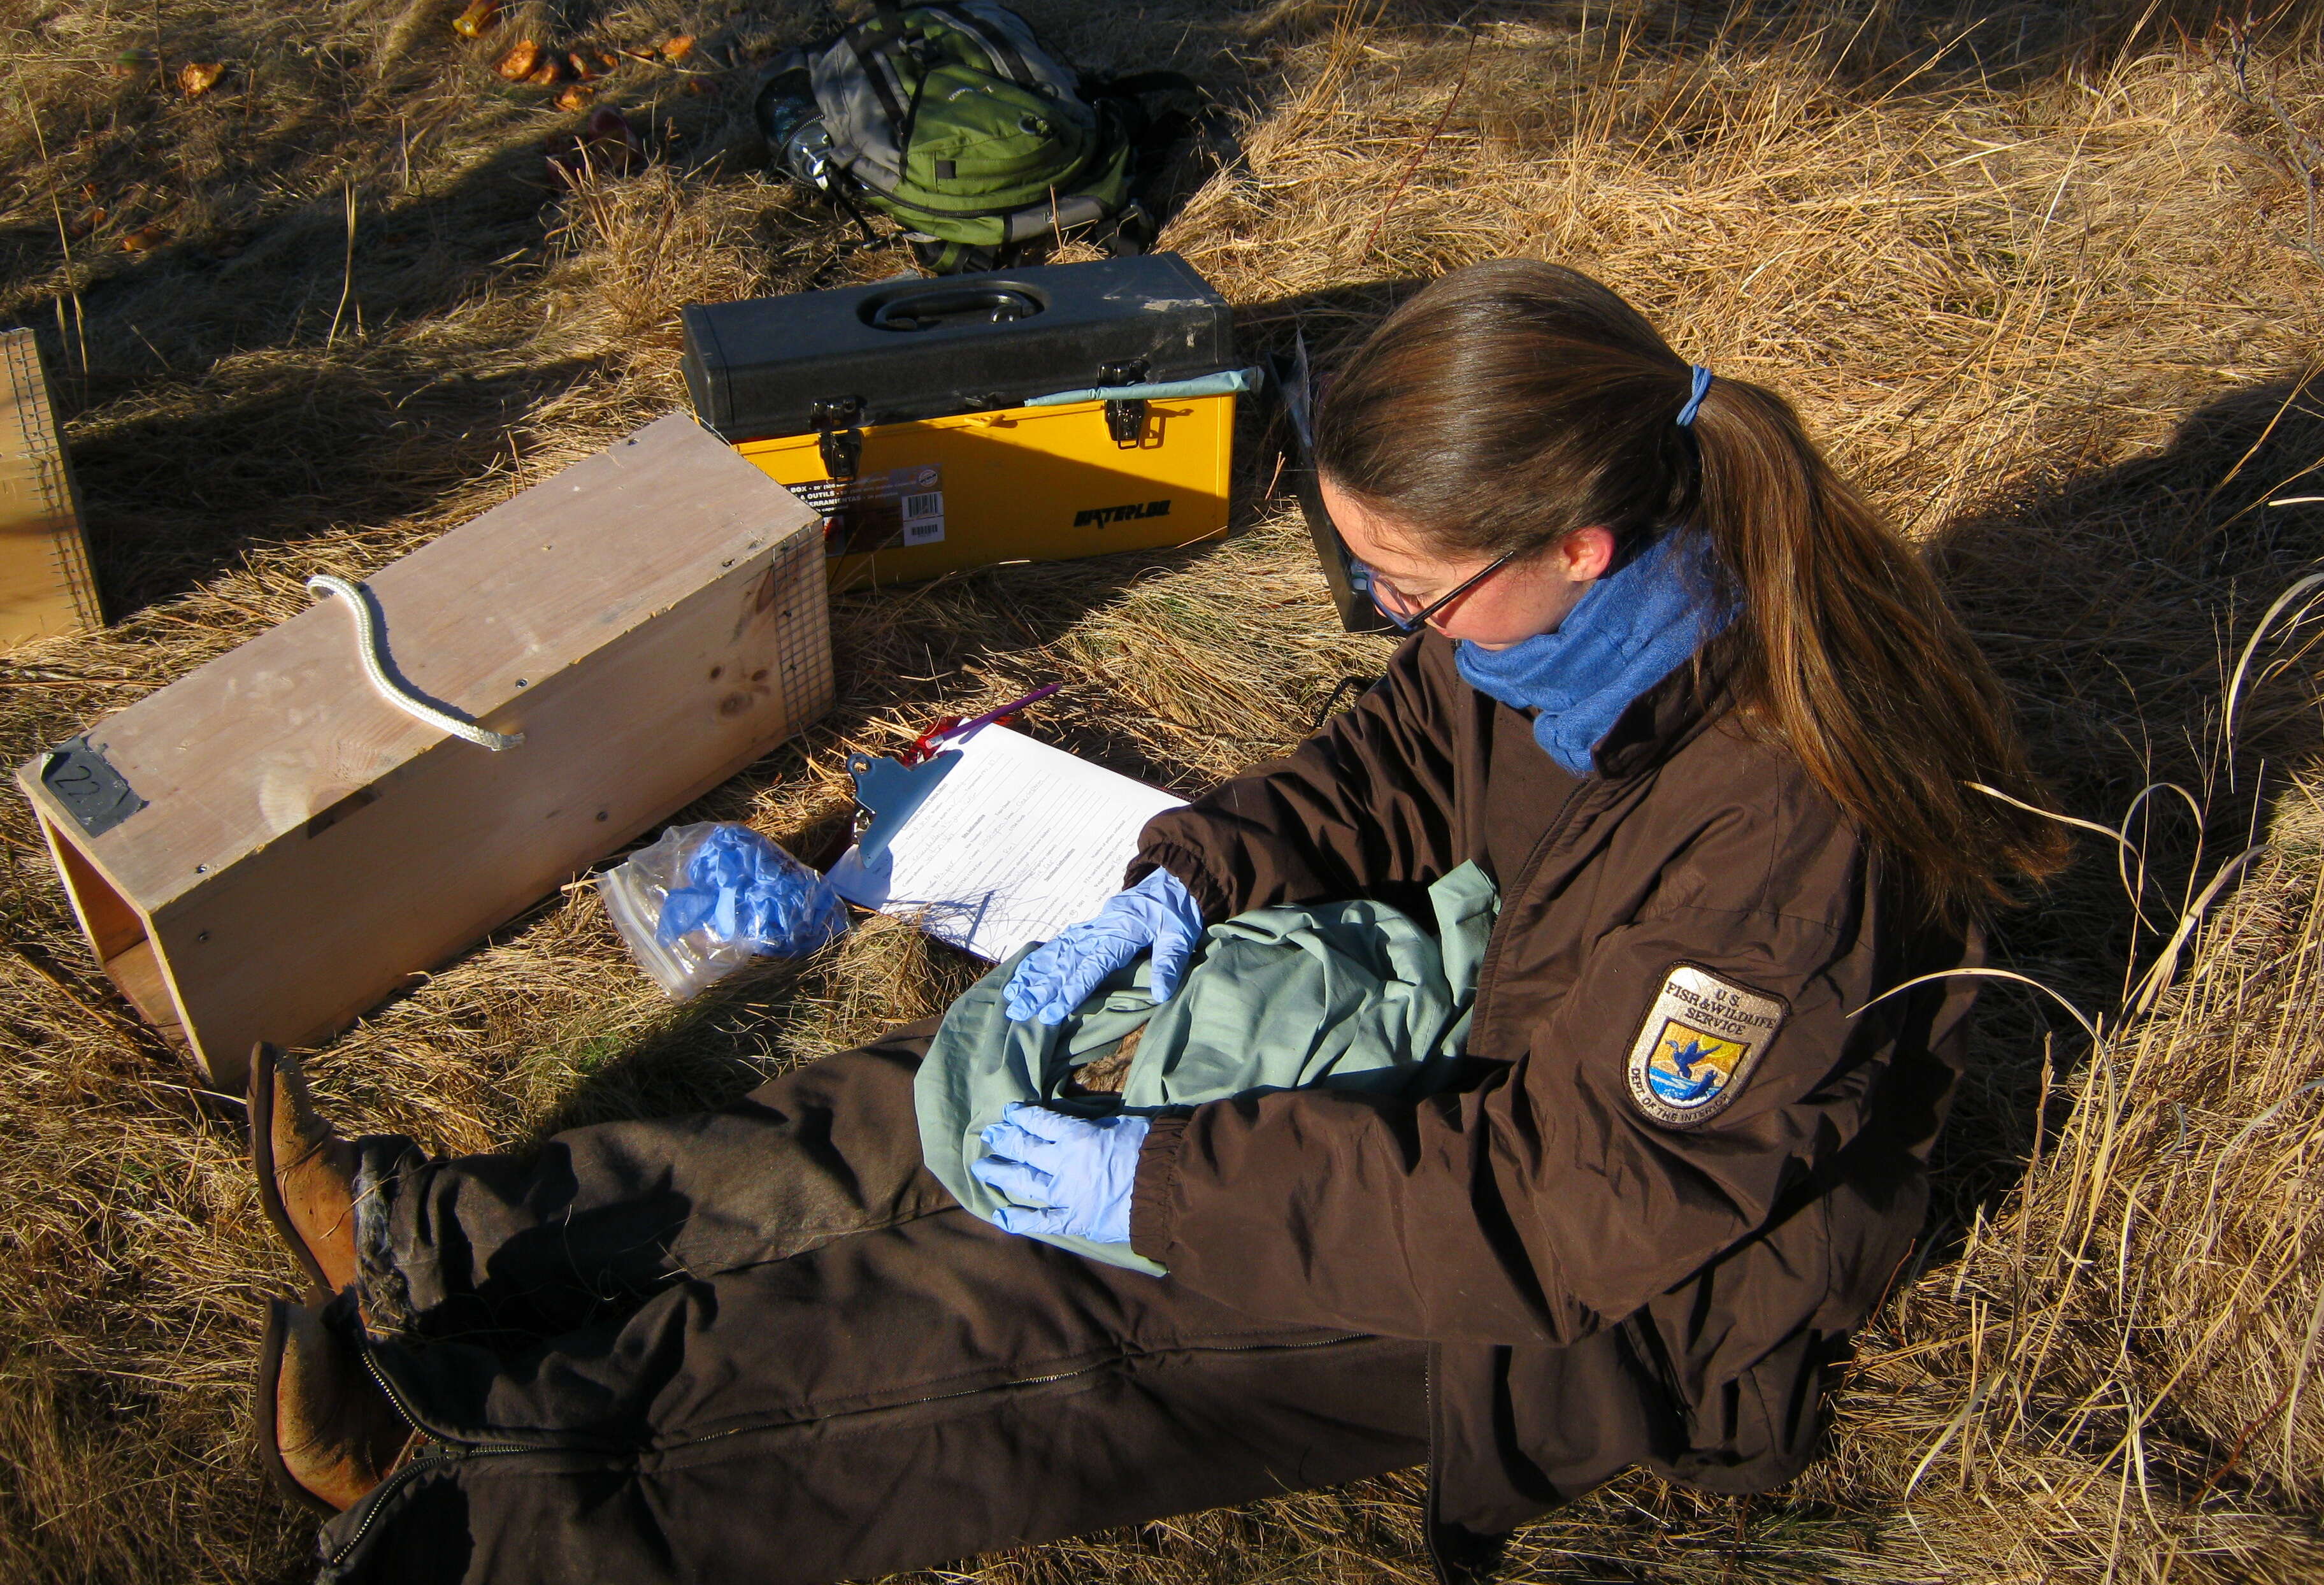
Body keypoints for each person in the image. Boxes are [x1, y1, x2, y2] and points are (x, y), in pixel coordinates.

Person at [248, 260, 2065, 1584]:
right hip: (1480, 1065)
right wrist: (1186, 887)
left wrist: (1163, 1196)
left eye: (1406, 589)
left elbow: (1575, 1210)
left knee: (1015, 1320)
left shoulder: (1789, 833)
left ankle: (474, 1496)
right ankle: (449, 1252)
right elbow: (1390, 771)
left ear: (1569, 544)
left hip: (1596, 1291)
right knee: (966, 1080)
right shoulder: (1557, 623)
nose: (1380, 611)